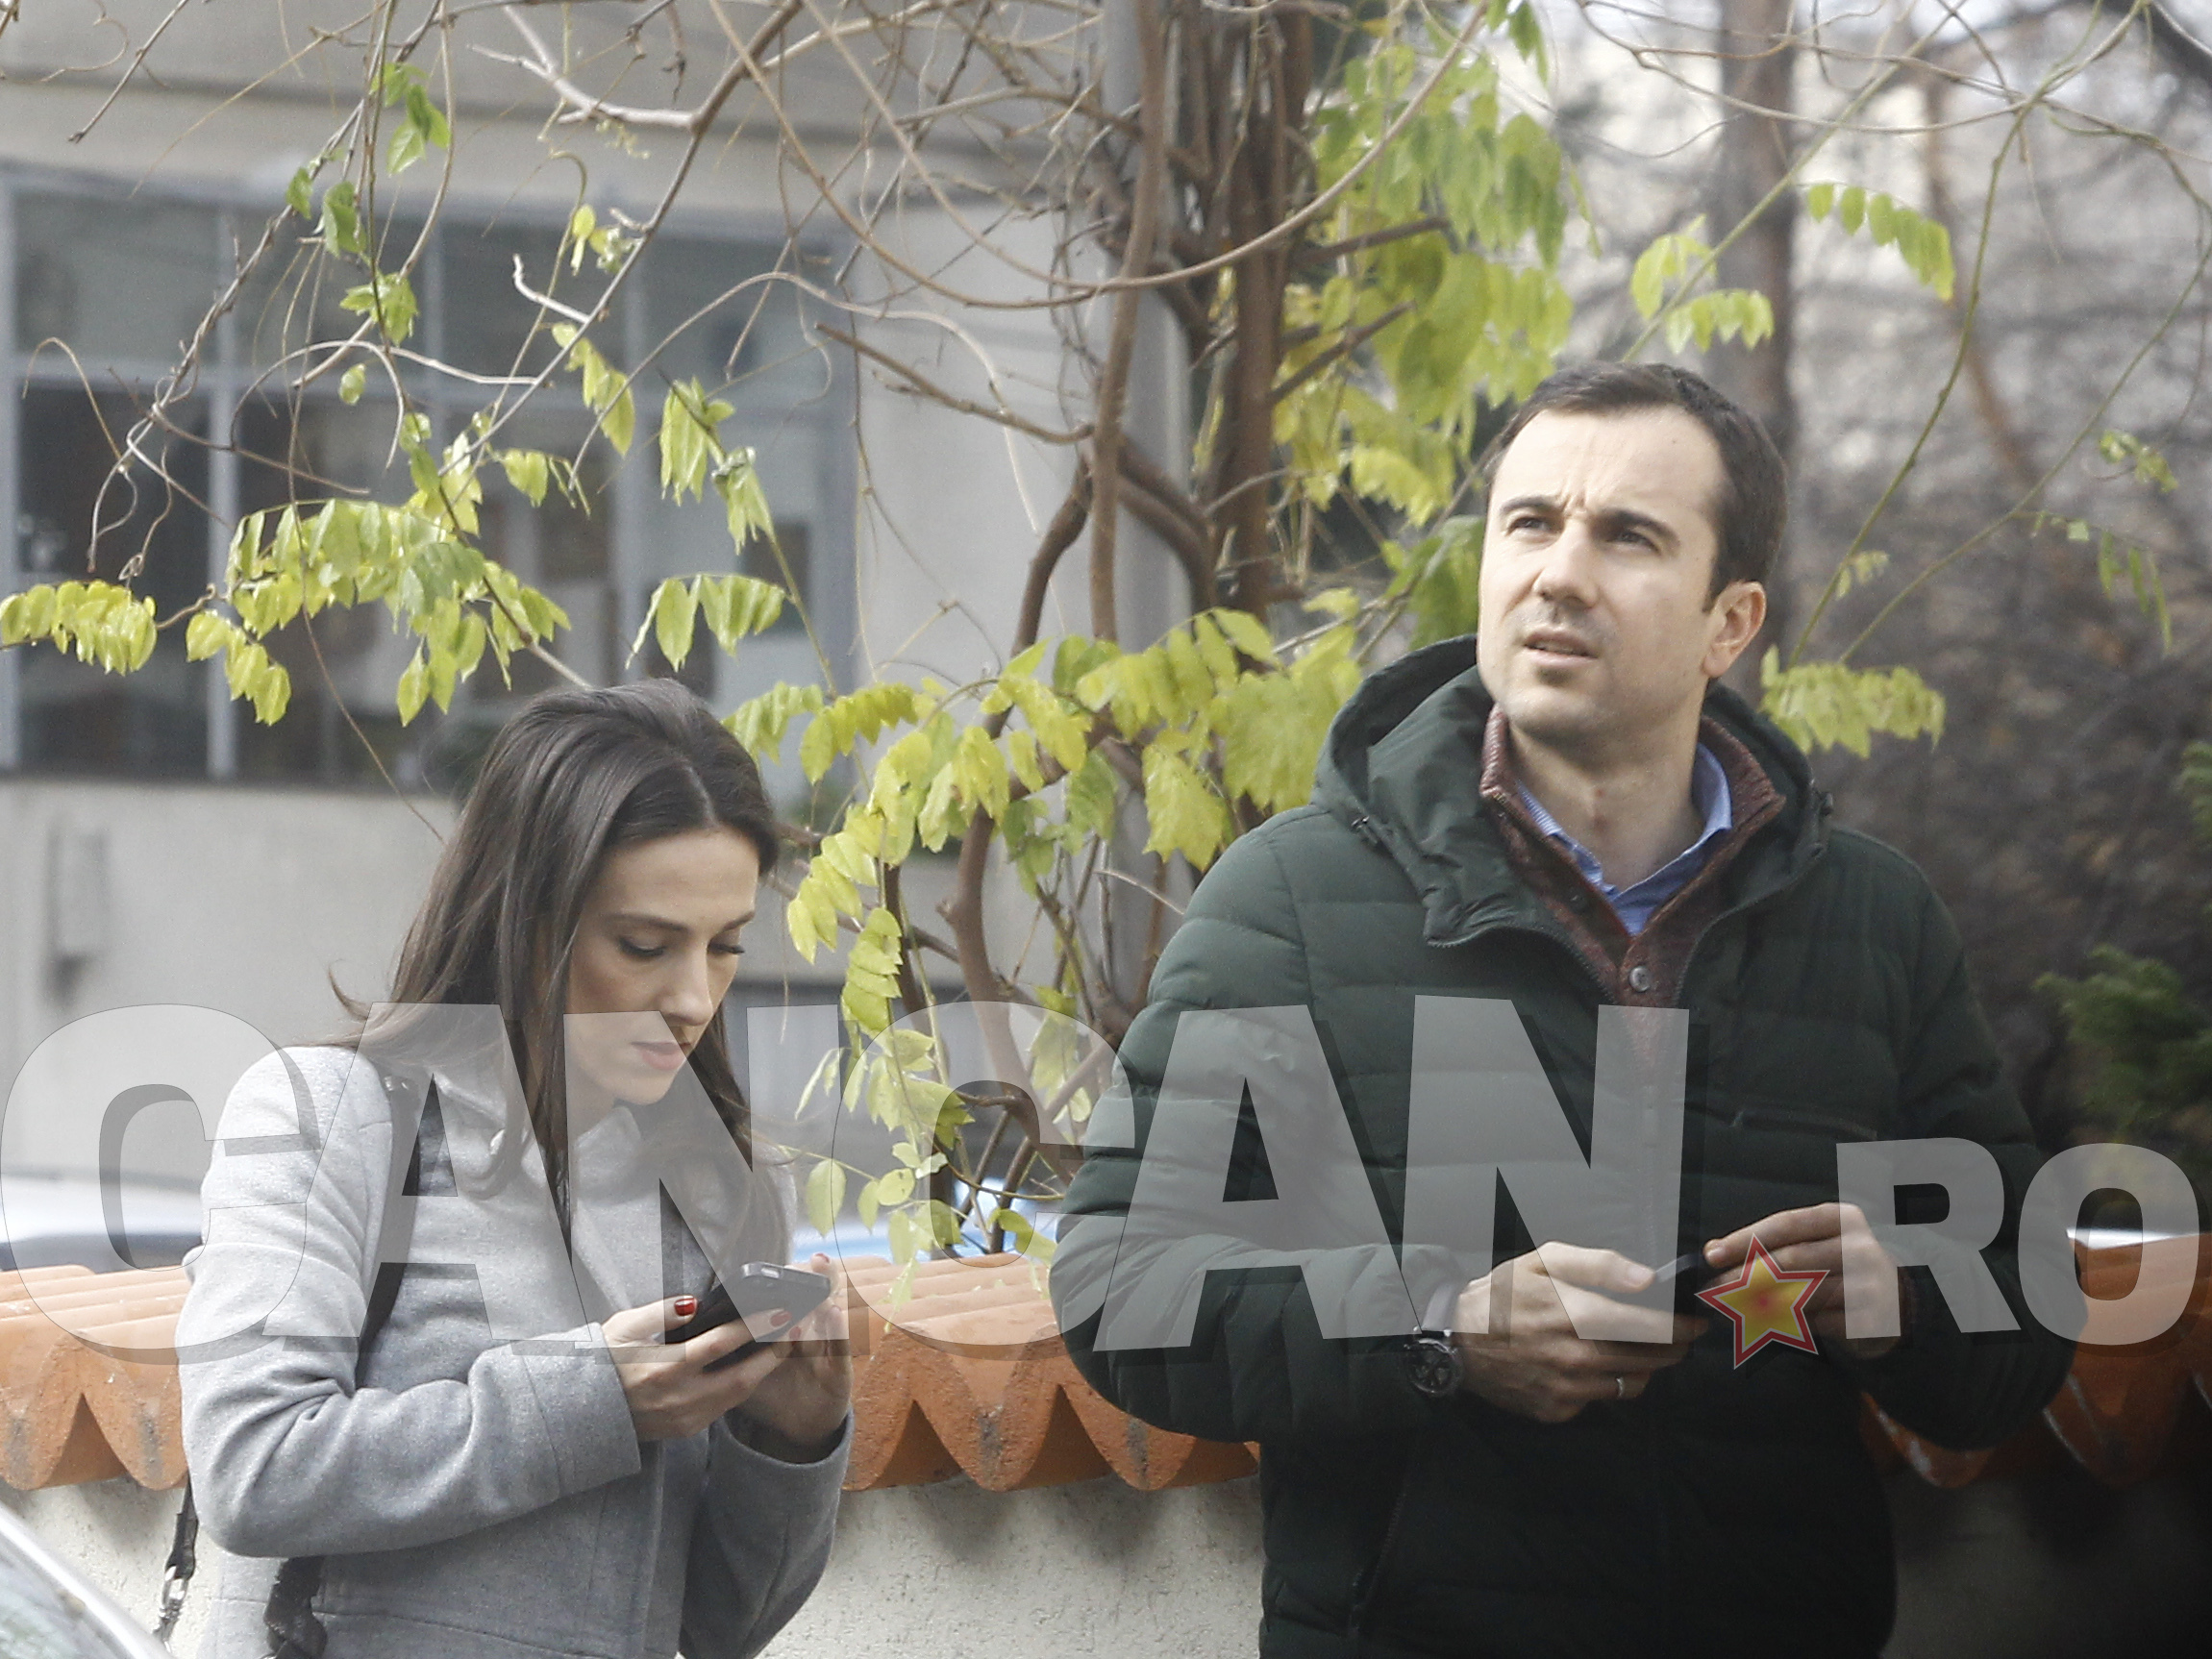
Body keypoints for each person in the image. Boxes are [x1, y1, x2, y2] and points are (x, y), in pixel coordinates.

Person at [1054, 363, 2075, 1657]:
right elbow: (1121, 1284)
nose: (1559, 573)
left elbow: (2022, 1316)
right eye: (1529, 522)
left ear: (1729, 621)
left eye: (1628, 536)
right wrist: (1438, 1326)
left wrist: (1906, 1302)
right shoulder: (1293, 900)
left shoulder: (1874, 921)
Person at [177, 679, 851, 1659]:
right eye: (645, 945)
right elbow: (252, 1470)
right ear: (526, 916)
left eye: (726, 946)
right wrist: (594, 1400)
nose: (694, 996)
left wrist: (788, 1443)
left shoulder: (721, 1183)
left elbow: (716, 1627)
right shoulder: (332, 1114)